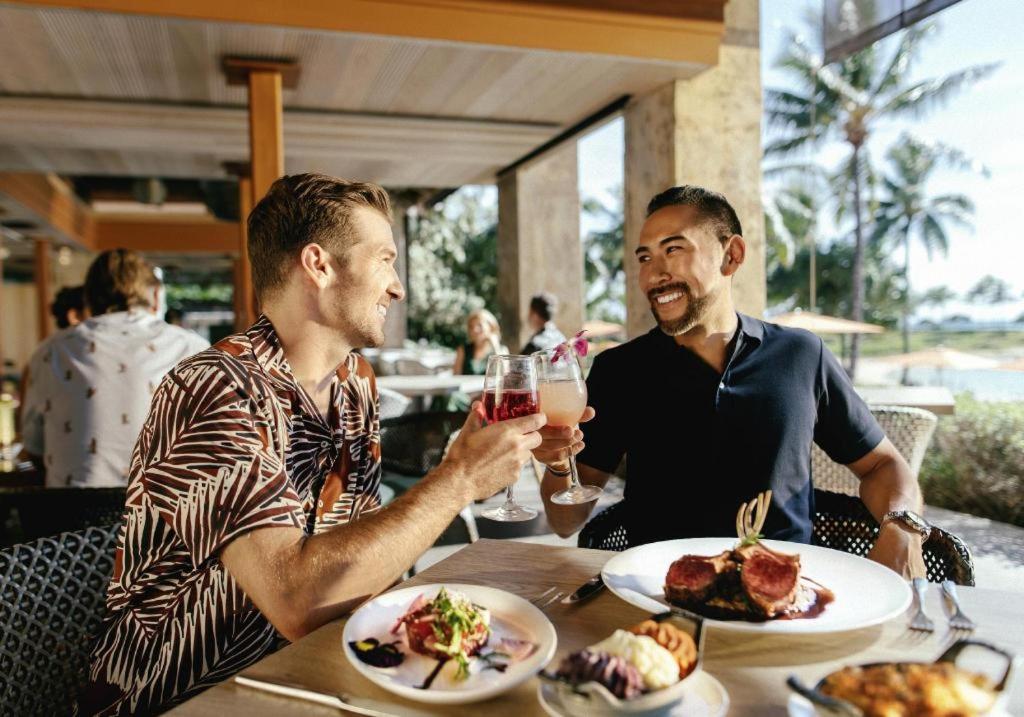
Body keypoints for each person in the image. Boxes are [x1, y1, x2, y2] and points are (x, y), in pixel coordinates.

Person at [79, 174, 554, 716]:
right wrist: (459, 478)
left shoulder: (355, 383)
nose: (398, 288)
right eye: (384, 260)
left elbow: (361, 562)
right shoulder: (213, 389)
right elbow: (296, 601)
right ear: (318, 265)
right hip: (183, 699)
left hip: (309, 677)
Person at [534, 185, 927, 579]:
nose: (653, 274)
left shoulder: (802, 355)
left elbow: (883, 465)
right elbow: (565, 521)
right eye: (645, 257)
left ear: (732, 255)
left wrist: (903, 528)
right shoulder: (620, 370)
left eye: (673, 250)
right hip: (657, 593)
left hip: (785, 596)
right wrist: (558, 466)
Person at [21, 250, 209, 487]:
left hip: (71, 506)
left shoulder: (51, 350)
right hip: (166, 506)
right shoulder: (191, 347)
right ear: (154, 297)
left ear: (88, 297)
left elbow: (34, 447)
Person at [453, 308, 507, 375]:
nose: (475, 330)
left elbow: (505, 375)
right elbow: (456, 376)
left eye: (479, 325)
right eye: (471, 327)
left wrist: (495, 346)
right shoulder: (462, 350)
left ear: (490, 326)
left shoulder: (502, 350)